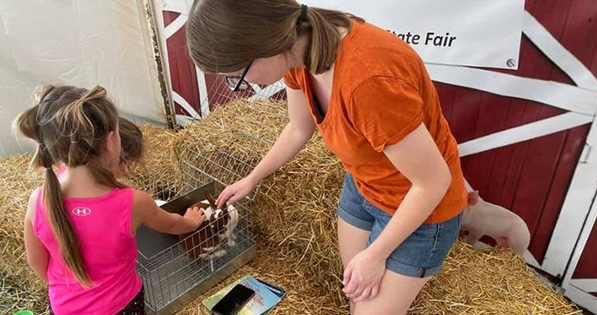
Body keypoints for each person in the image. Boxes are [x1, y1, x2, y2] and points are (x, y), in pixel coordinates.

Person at [186, 1, 467, 314]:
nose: (244, 85)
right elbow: (297, 127)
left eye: (237, 75)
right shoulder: (297, 52)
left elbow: (433, 182)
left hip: (418, 208)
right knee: (356, 294)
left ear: (265, 45)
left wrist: (375, 256)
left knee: (367, 294)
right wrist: (253, 177)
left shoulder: (367, 80)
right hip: (363, 186)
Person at [15, 85, 205, 315]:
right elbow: (172, 224)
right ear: (111, 140)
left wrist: (71, 288)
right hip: (121, 306)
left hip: (64, 307)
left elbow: (36, 262)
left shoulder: (39, 199)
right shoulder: (133, 202)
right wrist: (191, 221)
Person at [459, 191, 530, 255]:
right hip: (517, 229)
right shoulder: (471, 212)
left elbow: (477, 231)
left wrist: (465, 247)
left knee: (513, 256)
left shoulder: (472, 215)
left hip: (517, 231)